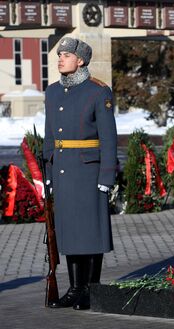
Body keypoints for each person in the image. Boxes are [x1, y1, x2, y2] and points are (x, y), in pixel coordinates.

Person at [43, 37, 117, 310]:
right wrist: (48, 171)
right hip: (63, 171)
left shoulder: (98, 92)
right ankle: (74, 289)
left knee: (90, 231)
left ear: (81, 60)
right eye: (59, 54)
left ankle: (90, 290)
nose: (60, 59)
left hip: (89, 171)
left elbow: (109, 138)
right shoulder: (52, 92)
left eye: (66, 55)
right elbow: (50, 136)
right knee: (70, 232)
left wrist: (106, 177)